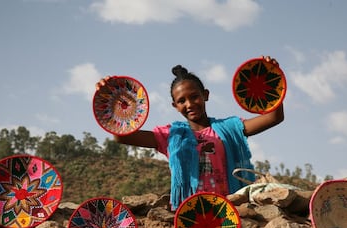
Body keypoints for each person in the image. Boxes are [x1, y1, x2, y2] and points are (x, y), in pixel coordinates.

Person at [96, 56, 284, 210]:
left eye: (194, 96)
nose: (189, 104)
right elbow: (122, 136)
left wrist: (270, 79)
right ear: (175, 106)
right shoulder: (171, 135)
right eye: (181, 101)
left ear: (206, 95)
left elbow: (274, 117)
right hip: (191, 214)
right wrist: (111, 98)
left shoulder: (231, 127)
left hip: (231, 209)